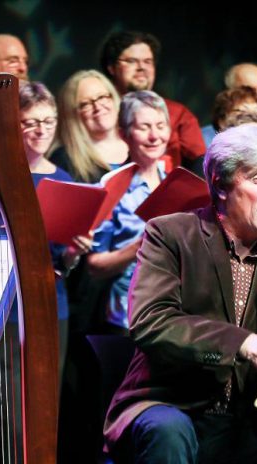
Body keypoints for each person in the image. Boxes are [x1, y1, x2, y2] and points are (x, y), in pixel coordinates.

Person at [103, 123, 257, 463]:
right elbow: (151, 322)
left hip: (245, 421)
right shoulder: (171, 235)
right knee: (169, 432)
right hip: (170, 404)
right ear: (221, 184)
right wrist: (241, 342)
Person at [0, 81, 92, 375]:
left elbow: (62, 262)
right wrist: (1, 234)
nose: (41, 130)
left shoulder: (64, 179)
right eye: (30, 122)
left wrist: (74, 252)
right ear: (14, 124)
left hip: (49, 303)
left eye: (48, 121)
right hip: (0, 306)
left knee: (48, 402)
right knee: (6, 405)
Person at [87, 90, 170, 333]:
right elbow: (94, 265)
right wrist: (138, 247)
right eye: (144, 127)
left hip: (171, 316)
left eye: (160, 125)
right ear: (124, 134)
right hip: (125, 319)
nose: (155, 136)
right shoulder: (111, 188)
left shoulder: (174, 185)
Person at [100, 30, 206, 172]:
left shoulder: (177, 113)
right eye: (132, 61)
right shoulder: (101, 113)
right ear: (111, 68)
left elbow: (201, 162)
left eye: (147, 61)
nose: (141, 67)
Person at [50, 69, 128, 184]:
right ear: (72, 114)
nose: (97, 107)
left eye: (102, 97)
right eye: (86, 104)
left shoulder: (138, 141)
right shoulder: (63, 160)